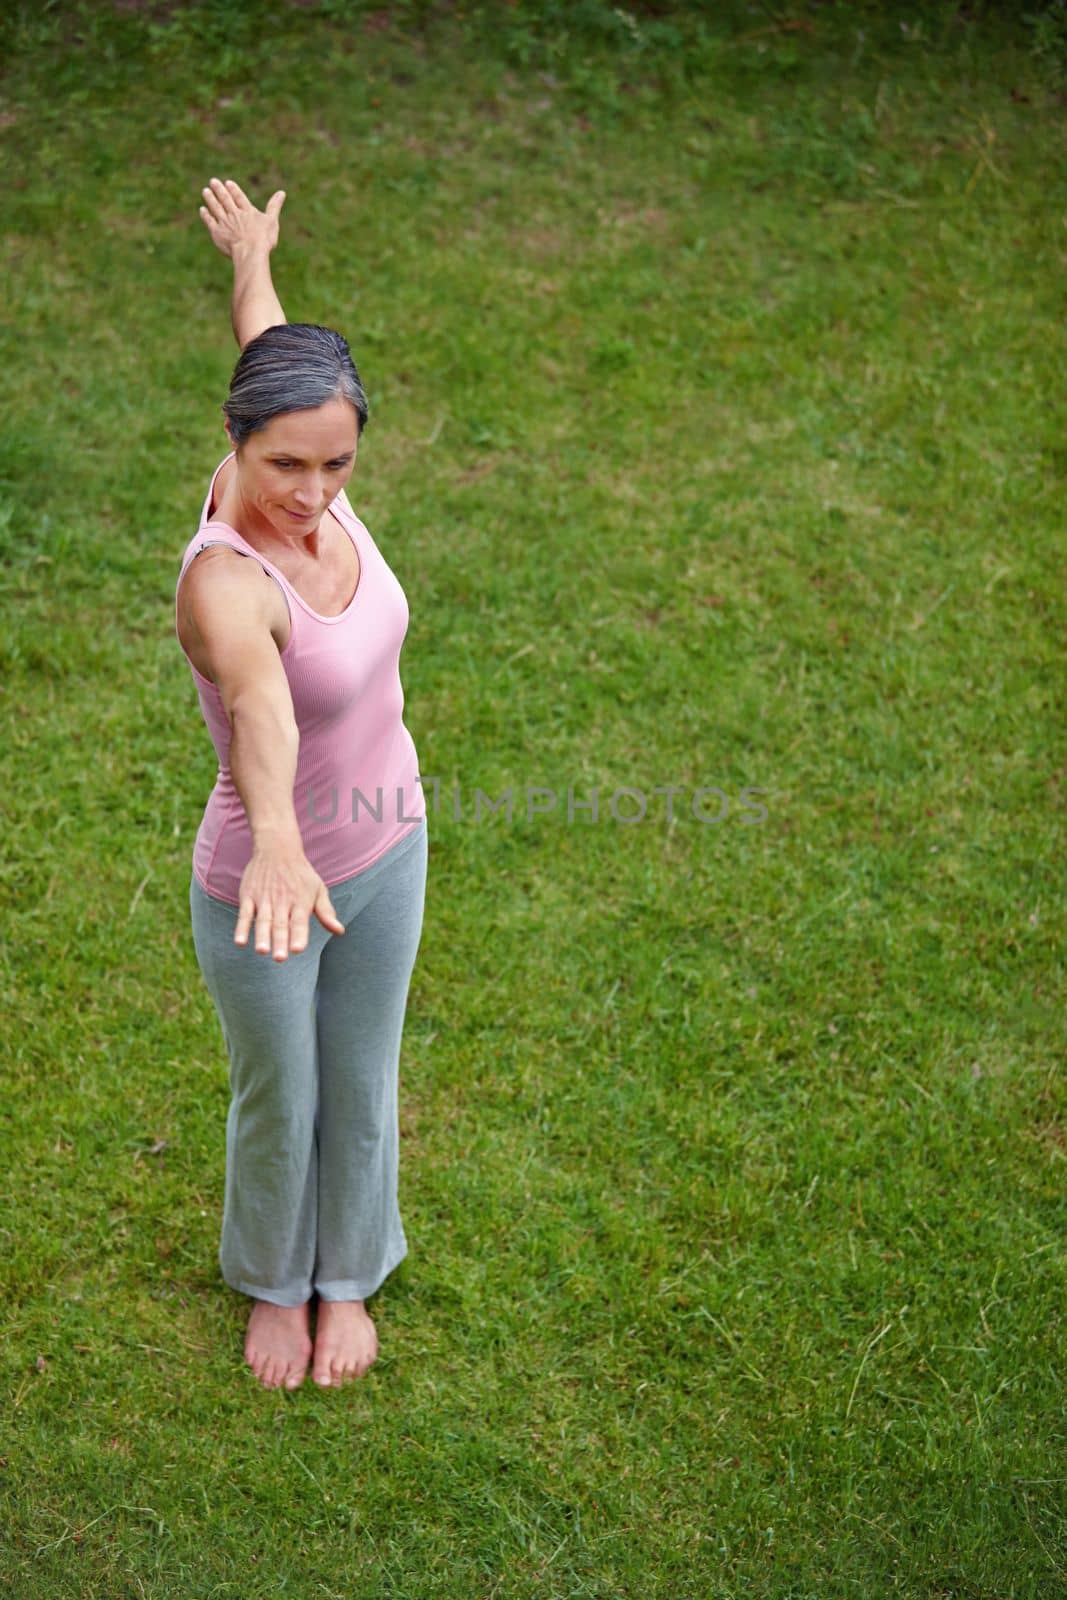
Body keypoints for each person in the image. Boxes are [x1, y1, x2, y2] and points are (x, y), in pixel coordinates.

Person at [175, 177, 428, 1391]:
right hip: (264, 883)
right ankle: (275, 1284)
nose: (315, 492)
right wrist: (278, 839)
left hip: (391, 845)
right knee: (284, 1095)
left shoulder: (299, 433)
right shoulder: (227, 582)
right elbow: (262, 710)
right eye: (286, 463)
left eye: (337, 462)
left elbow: (265, 340)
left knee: (362, 1078)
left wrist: (250, 255)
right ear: (235, 438)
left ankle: (346, 1276)